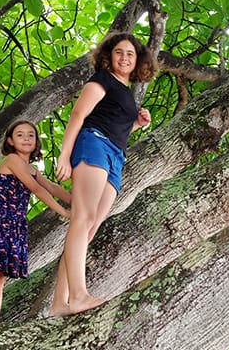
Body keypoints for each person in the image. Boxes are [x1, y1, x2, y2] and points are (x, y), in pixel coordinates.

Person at [50, 33, 158, 316]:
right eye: (119, 52)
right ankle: (79, 295)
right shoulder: (103, 79)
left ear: (138, 62)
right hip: (93, 143)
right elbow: (78, 114)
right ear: (109, 56)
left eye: (130, 54)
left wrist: (136, 123)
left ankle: (60, 303)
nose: (124, 57)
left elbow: (117, 128)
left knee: (91, 226)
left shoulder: (126, 91)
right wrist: (64, 155)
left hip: (115, 156)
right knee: (82, 218)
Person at [0, 120, 71, 338]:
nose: (26, 138)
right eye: (20, 135)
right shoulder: (12, 160)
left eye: (31, 135)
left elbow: (50, 186)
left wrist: (78, 200)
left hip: (14, 225)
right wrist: (64, 212)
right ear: (10, 141)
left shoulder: (32, 169)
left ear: (36, 141)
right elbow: (36, 190)